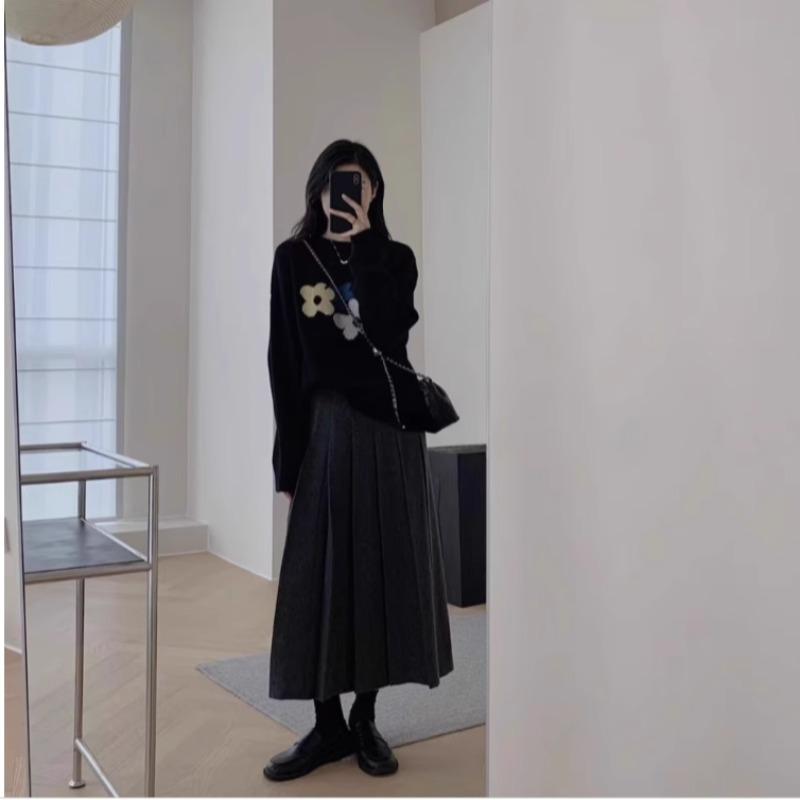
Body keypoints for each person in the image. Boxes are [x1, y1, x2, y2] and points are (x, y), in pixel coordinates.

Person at [263, 139, 454, 782]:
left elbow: (391, 332)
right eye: (335, 184)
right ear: (317, 189)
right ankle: (327, 726)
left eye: (360, 185)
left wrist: (367, 244)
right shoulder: (293, 259)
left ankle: (365, 719)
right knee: (319, 573)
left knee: (380, 569)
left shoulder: (394, 258)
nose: (345, 195)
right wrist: (288, 461)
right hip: (325, 430)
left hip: (389, 433)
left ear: (374, 194)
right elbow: (284, 363)